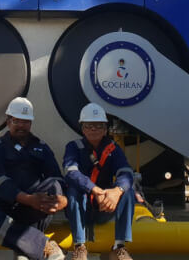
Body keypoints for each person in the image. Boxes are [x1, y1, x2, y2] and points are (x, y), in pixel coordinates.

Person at [0, 97, 67, 260]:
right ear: (8, 122)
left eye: (25, 121)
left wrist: (62, 200)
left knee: (54, 185)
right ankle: (44, 246)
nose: (21, 125)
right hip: (6, 206)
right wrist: (28, 199)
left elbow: (56, 177)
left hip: (35, 208)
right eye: (16, 121)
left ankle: (24, 247)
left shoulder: (42, 147)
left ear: (31, 123)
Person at [63, 103, 136, 260]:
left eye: (98, 126)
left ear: (105, 129)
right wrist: (94, 189)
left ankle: (119, 247)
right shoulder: (73, 147)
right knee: (73, 189)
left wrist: (117, 192)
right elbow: (71, 173)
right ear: (82, 129)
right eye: (89, 126)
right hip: (81, 207)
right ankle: (79, 247)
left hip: (104, 206)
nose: (93, 129)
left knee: (128, 190)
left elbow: (126, 172)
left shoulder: (113, 149)